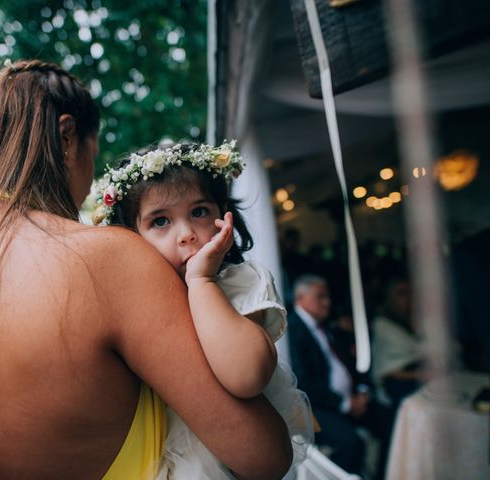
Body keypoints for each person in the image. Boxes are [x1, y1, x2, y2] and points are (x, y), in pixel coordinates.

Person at [0, 59, 293, 479]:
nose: (88, 183)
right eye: (94, 150)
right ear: (69, 136)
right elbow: (262, 455)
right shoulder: (106, 260)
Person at [92, 141, 313, 479]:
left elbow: (247, 376)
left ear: (223, 217)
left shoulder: (239, 282)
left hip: (223, 460)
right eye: (161, 221)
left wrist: (201, 282)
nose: (187, 234)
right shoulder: (134, 301)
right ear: (132, 238)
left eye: (198, 212)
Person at [288, 274, 394, 479]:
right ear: (300, 298)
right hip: (315, 406)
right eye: (320, 297)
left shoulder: (329, 326)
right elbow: (303, 382)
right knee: (351, 444)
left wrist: (362, 391)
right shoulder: (292, 331)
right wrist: (345, 404)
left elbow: (353, 362)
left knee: (390, 421)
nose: (327, 303)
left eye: (327, 297)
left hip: (352, 398)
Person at [372, 276, 429, 407]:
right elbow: (388, 373)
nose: (407, 299)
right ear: (388, 297)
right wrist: (421, 374)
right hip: (399, 388)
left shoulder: (408, 321)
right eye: (401, 294)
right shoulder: (382, 326)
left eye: (409, 293)